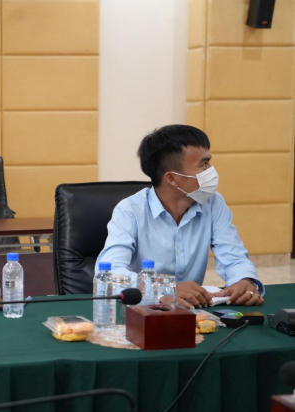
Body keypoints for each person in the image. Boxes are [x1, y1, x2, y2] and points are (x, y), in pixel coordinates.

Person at [96, 124, 264, 309]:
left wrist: (244, 280)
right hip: (140, 313)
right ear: (172, 178)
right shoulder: (130, 211)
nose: (211, 171)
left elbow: (234, 257)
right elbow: (108, 275)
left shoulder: (213, 203)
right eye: (204, 164)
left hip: (195, 313)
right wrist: (165, 290)